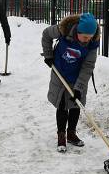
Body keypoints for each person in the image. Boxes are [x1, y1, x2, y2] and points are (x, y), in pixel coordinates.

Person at [41, 13, 100, 152]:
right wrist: (48, 55)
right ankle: (61, 135)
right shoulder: (64, 29)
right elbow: (46, 34)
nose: (87, 40)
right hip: (60, 72)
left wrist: (79, 87)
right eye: (85, 37)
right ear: (78, 31)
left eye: (90, 37)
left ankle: (71, 134)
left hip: (78, 76)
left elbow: (88, 65)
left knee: (76, 104)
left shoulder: (92, 42)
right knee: (62, 104)